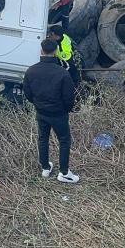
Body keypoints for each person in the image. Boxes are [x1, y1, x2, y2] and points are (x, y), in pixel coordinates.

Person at [23, 39, 79, 184]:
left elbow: (28, 94)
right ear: (55, 52)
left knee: (43, 138)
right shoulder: (62, 73)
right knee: (64, 140)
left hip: (41, 112)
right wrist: (66, 109)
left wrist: (38, 104)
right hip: (59, 113)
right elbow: (69, 97)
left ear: (41, 51)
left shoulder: (31, 71)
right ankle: (64, 172)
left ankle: (45, 168)